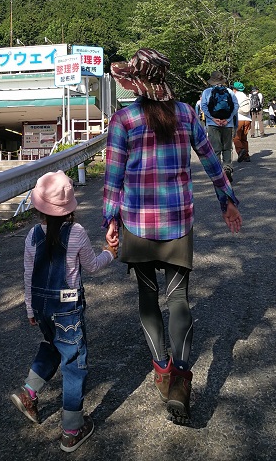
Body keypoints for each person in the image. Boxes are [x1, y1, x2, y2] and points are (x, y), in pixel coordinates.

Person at [103, 48, 242, 427]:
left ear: (135, 82)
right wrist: (226, 200)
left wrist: (109, 221)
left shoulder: (124, 119)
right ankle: (181, 378)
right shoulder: (185, 114)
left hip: (137, 227)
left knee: (148, 297)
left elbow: (113, 180)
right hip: (178, 223)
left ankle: (161, 369)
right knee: (178, 298)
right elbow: (212, 160)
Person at [11, 170, 118, 452]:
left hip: (42, 307)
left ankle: (29, 392)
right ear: (69, 207)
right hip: (67, 307)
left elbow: (27, 274)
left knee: (51, 346)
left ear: (38, 207)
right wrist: (110, 252)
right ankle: (72, 428)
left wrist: (29, 308)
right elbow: (92, 266)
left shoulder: (32, 235)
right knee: (73, 362)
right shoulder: (77, 233)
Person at [200, 71, 238, 182]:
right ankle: (227, 168)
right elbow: (235, 106)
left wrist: (213, 119)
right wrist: (228, 119)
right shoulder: (229, 91)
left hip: (213, 124)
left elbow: (203, 107)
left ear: (212, 80)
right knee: (227, 148)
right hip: (228, 124)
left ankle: (218, 173)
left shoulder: (207, 92)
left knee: (215, 149)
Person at [232, 81, 252, 162]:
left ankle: (240, 151)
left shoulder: (234, 96)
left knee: (236, 138)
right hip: (247, 119)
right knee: (244, 138)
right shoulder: (246, 96)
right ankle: (246, 156)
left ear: (235, 89)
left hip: (238, 119)